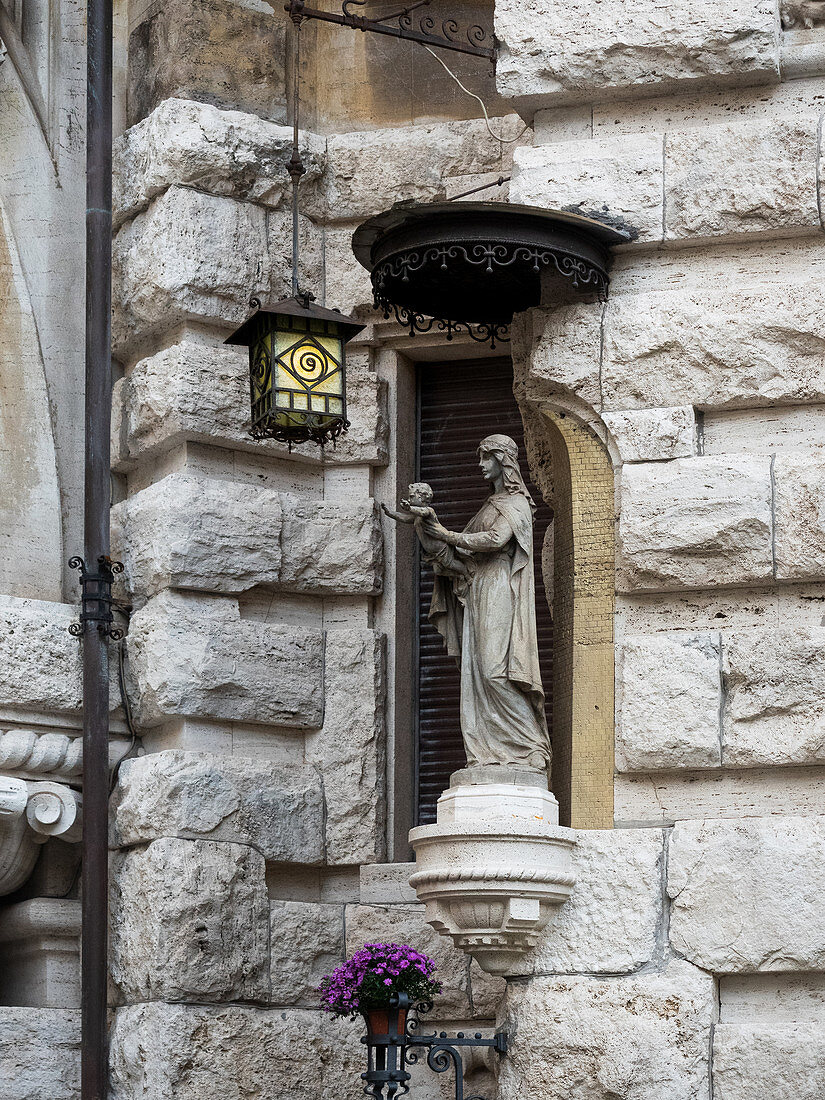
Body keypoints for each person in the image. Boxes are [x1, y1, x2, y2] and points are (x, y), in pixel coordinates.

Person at [390, 435, 551, 772]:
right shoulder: (488, 507)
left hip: (500, 590)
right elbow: (452, 558)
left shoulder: (517, 504)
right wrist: (423, 526)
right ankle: (491, 754)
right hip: (477, 591)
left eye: (485, 458)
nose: (480, 465)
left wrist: (445, 532)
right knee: (476, 674)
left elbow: (494, 540)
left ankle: (532, 747)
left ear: (502, 460)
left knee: (496, 672)